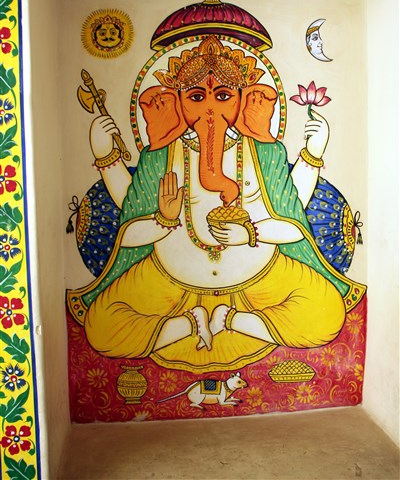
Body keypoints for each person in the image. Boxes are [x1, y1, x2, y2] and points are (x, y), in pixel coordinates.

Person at [69, 35, 365, 372]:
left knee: (326, 313)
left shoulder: (264, 151)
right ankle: (189, 324)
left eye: (223, 96)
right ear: (177, 102)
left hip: (260, 282)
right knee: (102, 326)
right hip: (169, 284)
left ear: (243, 100)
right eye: (196, 97)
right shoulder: (162, 154)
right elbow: (130, 226)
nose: (210, 110)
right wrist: (158, 215)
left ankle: (231, 320)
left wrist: (310, 157)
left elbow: (293, 222)